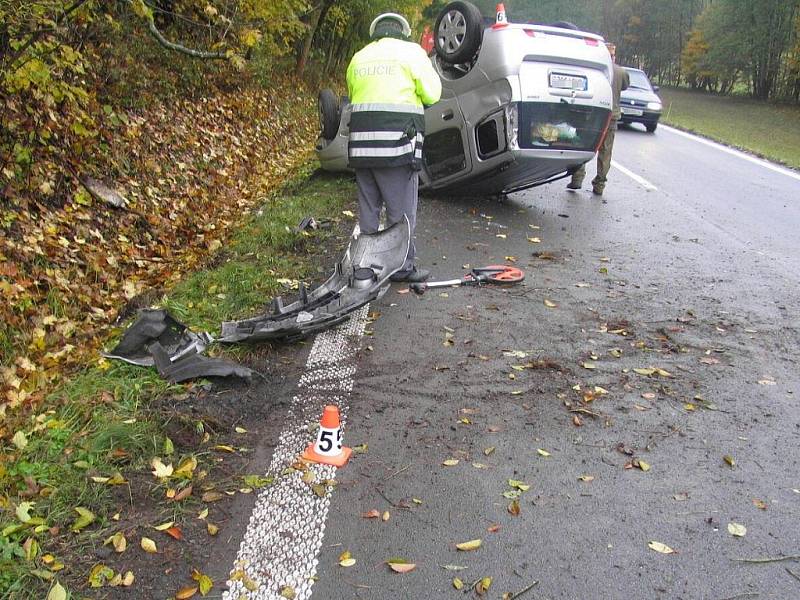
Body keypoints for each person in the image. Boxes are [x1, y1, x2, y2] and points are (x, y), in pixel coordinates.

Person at [346, 13, 442, 283]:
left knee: (368, 211)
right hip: (397, 148)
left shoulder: (359, 57)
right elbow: (433, 94)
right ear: (403, 31)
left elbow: (355, 95)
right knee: (401, 213)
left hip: (362, 149)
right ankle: (402, 267)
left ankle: (364, 268)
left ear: (376, 32)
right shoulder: (412, 53)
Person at [567, 42, 630, 197]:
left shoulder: (592, 69)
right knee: (605, 152)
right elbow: (624, 86)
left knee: (583, 145)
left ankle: (577, 178)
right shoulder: (621, 72)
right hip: (611, 116)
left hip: (592, 115)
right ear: (613, 56)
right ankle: (599, 185)